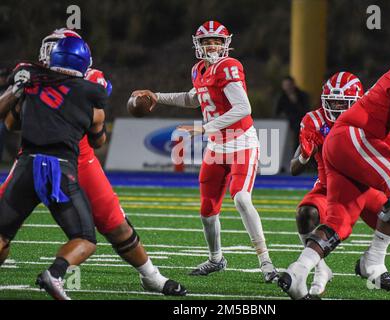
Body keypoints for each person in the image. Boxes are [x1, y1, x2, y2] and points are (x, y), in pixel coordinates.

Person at [0, 28, 187, 297]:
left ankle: (152, 276)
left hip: (80, 157)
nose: (46, 54)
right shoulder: (34, 77)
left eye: (53, 48)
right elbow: (12, 122)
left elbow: (96, 133)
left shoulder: (87, 80)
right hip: (39, 155)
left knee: (115, 223)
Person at [279, 33, 390, 299]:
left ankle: (298, 272)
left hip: (353, 152)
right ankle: (374, 259)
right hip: (356, 136)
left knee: (339, 224)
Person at [130, 21, 278, 283]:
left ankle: (266, 261)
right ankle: (216, 259)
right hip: (217, 146)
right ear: (198, 45)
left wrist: (204, 127)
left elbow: (243, 108)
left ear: (226, 44)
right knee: (207, 210)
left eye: (217, 41)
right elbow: (193, 98)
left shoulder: (229, 66)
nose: (212, 45)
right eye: (208, 41)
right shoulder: (198, 69)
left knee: (242, 199)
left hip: (241, 142)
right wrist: (157, 96)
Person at [0, 37, 105, 300]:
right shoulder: (91, 91)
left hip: (26, 166)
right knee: (85, 238)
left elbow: (9, 121)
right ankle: (55, 274)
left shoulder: (33, 80)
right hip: (59, 170)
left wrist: (17, 88)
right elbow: (98, 140)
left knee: (1, 235)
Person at [274, 76, 310, 172]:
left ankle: (304, 166)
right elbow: (277, 113)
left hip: (301, 125)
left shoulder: (302, 95)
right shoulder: (281, 98)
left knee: (301, 146)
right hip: (287, 127)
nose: (287, 87)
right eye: (285, 85)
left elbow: (307, 110)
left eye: (289, 85)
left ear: (293, 85)